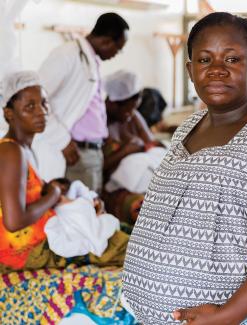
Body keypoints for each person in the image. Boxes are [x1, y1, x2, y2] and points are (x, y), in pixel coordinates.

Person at [121, 12, 247, 325]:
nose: (216, 71)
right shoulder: (188, 127)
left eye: (232, 59)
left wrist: (228, 314)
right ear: (190, 70)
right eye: (204, 60)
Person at [0, 71, 128, 274]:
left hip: (36, 238)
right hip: (24, 253)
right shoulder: (10, 151)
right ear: (9, 114)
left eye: (43, 103)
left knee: (114, 229)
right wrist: (54, 195)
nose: (41, 112)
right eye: (29, 107)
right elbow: (14, 221)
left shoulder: (23, 148)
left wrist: (66, 195)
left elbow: (29, 196)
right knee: (122, 246)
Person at [33, 13, 129, 192]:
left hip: (91, 152)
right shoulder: (67, 54)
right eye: (118, 48)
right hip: (74, 152)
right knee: (81, 212)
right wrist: (62, 140)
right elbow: (37, 99)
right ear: (107, 41)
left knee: (91, 212)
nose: (117, 54)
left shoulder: (91, 59)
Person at [102, 70, 166, 223]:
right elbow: (97, 167)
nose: (130, 114)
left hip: (146, 177)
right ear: (112, 104)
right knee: (144, 208)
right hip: (114, 186)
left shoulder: (133, 117)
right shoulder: (98, 124)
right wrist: (126, 151)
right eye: (127, 109)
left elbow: (152, 146)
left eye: (134, 108)